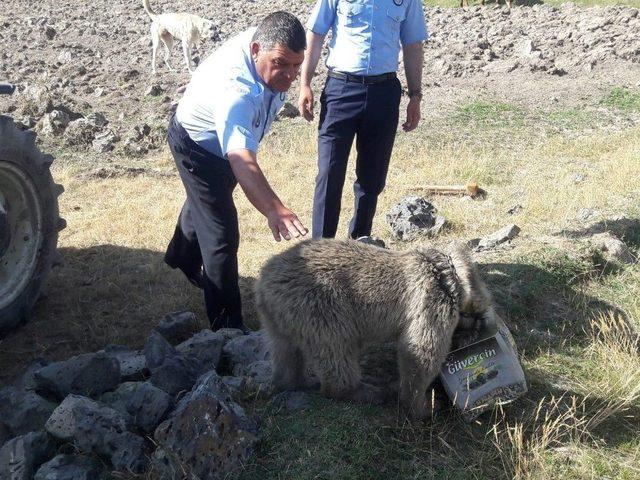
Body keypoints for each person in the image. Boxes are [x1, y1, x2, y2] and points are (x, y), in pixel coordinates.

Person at [165, 11, 308, 331]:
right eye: (281, 65)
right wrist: (274, 209)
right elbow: (242, 160)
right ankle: (227, 329)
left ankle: (180, 255)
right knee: (221, 237)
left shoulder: (270, 42)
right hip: (197, 148)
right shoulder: (237, 93)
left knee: (204, 203)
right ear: (256, 50)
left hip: (220, 144)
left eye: (296, 66)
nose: (289, 76)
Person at [298, 0, 428, 239]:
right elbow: (316, 33)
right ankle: (321, 252)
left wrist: (415, 95)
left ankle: (359, 246)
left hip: (384, 92)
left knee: (372, 177)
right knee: (329, 172)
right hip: (341, 90)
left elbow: (412, 45)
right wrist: (305, 83)